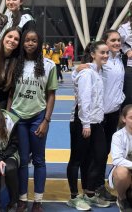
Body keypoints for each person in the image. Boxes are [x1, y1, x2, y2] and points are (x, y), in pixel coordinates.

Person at [73, 30, 125, 202]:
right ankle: (90, 188)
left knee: (103, 152)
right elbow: (80, 74)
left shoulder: (120, 60)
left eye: (119, 40)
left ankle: (96, 187)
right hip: (97, 116)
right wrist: (76, 70)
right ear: (105, 42)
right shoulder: (99, 63)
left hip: (113, 114)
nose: (117, 43)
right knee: (90, 154)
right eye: (113, 40)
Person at [10, 29, 57, 212]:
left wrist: (46, 120)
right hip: (18, 117)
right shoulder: (16, 64)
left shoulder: (49, 65)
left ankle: (38, 201)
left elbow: (51, 95)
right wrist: (8, 117)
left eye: (34, 40)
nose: (30, 43)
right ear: (22, 43)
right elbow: (11, 93)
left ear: (39, 43)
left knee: (38, 160)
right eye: (27, 40)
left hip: (38, 116)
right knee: (22, 160)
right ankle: (22, 199)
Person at [66, 41, 111, 210]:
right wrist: (86, 124)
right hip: (82, 121)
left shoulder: (100, 72)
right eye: (102, 53)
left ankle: (89, 193)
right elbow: (84, 100)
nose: (106, 55)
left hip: (96, 121)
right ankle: (73, 196)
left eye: (107, 53)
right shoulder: (86, 73)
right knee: (77, 159)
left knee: (99, 157)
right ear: (93, 54)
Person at [108, 104, 132, 211]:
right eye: (131, 118)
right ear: (123, 119)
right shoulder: (118, 136)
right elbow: (117, 160)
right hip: (125, 172)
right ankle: (122, 198)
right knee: (122, 172)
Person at [118, 2, 132, 107]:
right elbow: (118, 43)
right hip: (129, 66)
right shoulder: (124, 28)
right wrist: (127, 50)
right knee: (129, 98)